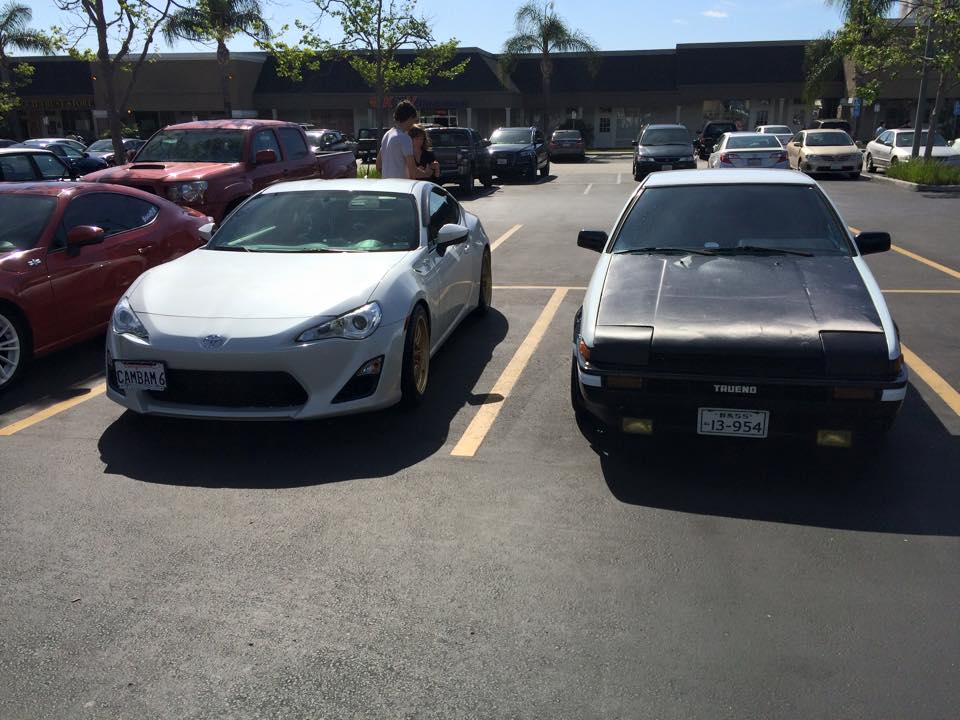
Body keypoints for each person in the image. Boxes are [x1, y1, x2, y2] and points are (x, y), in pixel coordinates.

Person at [376, 101, 436, 180]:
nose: (413, 124)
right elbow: (413, 172)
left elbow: (378, 165)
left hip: (387, 184)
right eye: (413, 120)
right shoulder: (405, 138)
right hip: (401, 185)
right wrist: (427, 173)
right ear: (410, 118)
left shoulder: (387, 135)